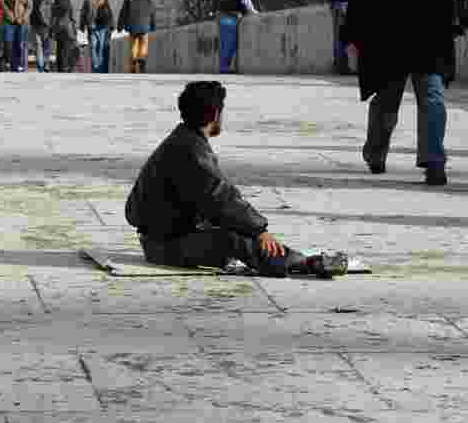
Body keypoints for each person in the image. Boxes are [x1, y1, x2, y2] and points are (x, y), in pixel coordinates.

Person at [126, 81, 349, 278]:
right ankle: (302, 263)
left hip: (158, 240)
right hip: (165, 247)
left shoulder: (181, 140)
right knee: (231, 238)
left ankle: (292, 257)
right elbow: (221, 198)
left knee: (232, 225)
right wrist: (259, 230)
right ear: (215, 114)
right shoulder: (190, 150)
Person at [344, 0, 460, 186]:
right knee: (432, 98)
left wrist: (353, 37)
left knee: (385, 98)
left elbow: (359, 0)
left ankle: (375, 154)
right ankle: (434, 160)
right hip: (430, 36)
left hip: (387, 39)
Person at [216, 0, 257, 74]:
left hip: (222, 16)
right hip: (230, 17)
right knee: (230, 43)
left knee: (225, 43)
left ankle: (223, 67)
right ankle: (225, 68)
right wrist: (253, 12)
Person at [117, 0, 156, 74]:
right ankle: (142, 60)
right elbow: (152, 13)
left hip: (132, 26)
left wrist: (120, 26)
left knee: (133, 45)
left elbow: (123, 12)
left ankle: (133, 63)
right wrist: (153, 25)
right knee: (143, 44)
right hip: (145, 26)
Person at [81, 0, 114, 73]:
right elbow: (109, 12)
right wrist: (112, 25)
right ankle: (101, 67)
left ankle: (95, 67)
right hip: (103, 26)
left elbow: (83, 13)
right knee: (101, 47)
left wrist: (82, 25)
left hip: (92, 26)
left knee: (93, 47)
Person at [2, 0, 31, 72]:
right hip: (10, 21)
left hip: (21, 21)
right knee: (9, 43)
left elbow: (29, 6)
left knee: (19, 43)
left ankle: (19, 65)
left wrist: (23, 18)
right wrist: (8, 13)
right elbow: (3, 4)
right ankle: (12, 64)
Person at [51, 0, 78, 72]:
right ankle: (66, 66)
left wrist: (52, 30)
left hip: (58, 29)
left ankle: (60, 67)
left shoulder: (55, 5)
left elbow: (53, 18)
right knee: (67, 49)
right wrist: (75, 30)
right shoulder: (68, 3)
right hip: (68, 30)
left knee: (59, 49)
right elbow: (72, 18)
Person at [30, 0, 52, 72]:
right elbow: (41, 10)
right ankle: (46, 64)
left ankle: (40, 66)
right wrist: (46, 22)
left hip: (34, 24)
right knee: (46, 46)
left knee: (38, 46)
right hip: (43, 26)